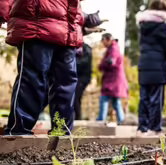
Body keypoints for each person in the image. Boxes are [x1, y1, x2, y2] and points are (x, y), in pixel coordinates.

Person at [0, 0, 100, 135]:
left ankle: (61, 135)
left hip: (68, 32)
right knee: (33, 81)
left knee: (65, 85)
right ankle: (18, 134)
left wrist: (83, 18)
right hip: (37, 24)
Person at [136, 0, 166, 134]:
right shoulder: (162, 26)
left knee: (144, 97)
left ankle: (142, 127)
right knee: (156, 98)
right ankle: (154, 127)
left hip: (144, 63)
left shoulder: (143, 26)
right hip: (158, 65)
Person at [97, 34, 128, 125]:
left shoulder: (113, 49)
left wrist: (101, 65)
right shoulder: (114, 48)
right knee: (115, 100)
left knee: (104, 97)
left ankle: (101, 120)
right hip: (114, 79)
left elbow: (111, 62)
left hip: (112, 80)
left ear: (108, 39)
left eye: (103, 41)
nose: (103, 44)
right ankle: (121, 119)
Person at [74, 43, 93, 120]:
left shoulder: (86, 49)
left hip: (83, 77)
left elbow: (84, 62)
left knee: (76, 97)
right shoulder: (79, 47)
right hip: (79, 76)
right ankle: (77, 117)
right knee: (75, 97)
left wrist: (72, 62)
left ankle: (78, 117)